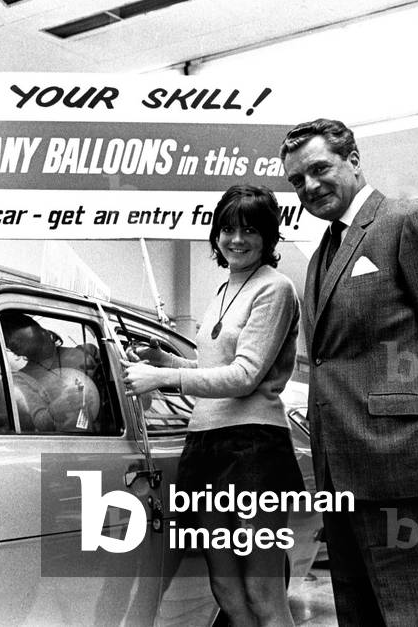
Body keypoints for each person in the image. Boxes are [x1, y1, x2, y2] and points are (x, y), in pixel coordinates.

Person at [279, 118, 418, 627]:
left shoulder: (409, 221)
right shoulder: (321, 256)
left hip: (409, 461)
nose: (309, 186)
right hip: (342, 471)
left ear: (354, 161)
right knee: (359, 613)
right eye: (296, 180)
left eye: (319, 169)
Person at [124, 185, 303, 627]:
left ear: (269, 236)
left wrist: (164, 379)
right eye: (227, 229)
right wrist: (165, 360)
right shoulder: (225, 288)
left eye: (249, 230)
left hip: (253, 448)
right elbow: (214, 366)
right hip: (205, 444)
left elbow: (244, 376)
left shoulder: (276, 289)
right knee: (225, 586)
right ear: (216, 235)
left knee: (262, 590)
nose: (236, 239)